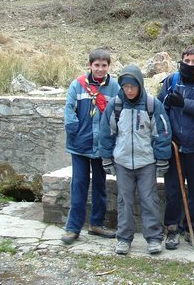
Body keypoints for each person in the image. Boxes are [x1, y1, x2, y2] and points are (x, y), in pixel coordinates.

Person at [98, 64, 172, 255]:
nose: (129, 90)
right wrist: (106, 157)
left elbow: (162, 134)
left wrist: (162, 158)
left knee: (149, 201)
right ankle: (123, 238)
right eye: (125, 87)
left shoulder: (152, 105)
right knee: (124, 201)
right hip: (122, 163)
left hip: (146, 163)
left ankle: (154, 238)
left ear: (140, 84)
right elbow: (106, 133)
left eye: (133, 86)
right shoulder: (115, 106)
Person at [62, 48, 120, 244]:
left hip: (102, 146)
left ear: (109, 66)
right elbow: (69, 110)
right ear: (90, 65)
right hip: (80, 145)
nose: (100, 69)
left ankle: (96, 224)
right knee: (78, 185)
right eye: (97, 65)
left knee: (100, 186)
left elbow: (118, 113)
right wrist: (74, 132)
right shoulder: (77, 85)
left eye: (104, 65)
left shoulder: (114, 87)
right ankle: (73, 228)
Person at [158, 46, 194, 250]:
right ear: (182, 61)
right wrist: (165, 137)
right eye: (187, 61)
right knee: (173, 190)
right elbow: (160, 110)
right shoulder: (171, 81)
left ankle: (193, 228)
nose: (190, 65)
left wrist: (184, 103)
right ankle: (172, 229)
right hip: (174, 146)